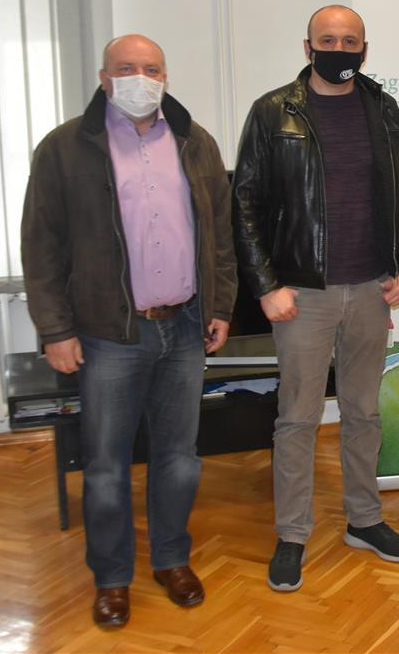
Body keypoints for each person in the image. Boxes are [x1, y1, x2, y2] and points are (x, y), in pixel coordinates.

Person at [21, 34, 237, 628]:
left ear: (165, 77)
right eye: (126, 68)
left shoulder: (195, 142)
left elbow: (219, 237)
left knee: (179, 459)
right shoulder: (65, 148)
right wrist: (55, 329)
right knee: (105, 468)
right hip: (107, 334)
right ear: (104, 77)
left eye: (151, 68)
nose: (140, 78)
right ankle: (112, 578)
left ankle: (171, 559)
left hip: (185, 327)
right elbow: (41, 247)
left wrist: (220, 307)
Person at [233, 5, 399, 591]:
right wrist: (267, 286)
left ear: (364, 49)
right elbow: (245, 203)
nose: (338, 49)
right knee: (297, 417)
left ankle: (364, 520)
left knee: (364, 412)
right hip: (303, 295)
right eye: (327, 40)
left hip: (370, 288)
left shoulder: (382, 109)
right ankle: (293, 534)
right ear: (308, 46)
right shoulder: (273, 112)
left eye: (349, 41)